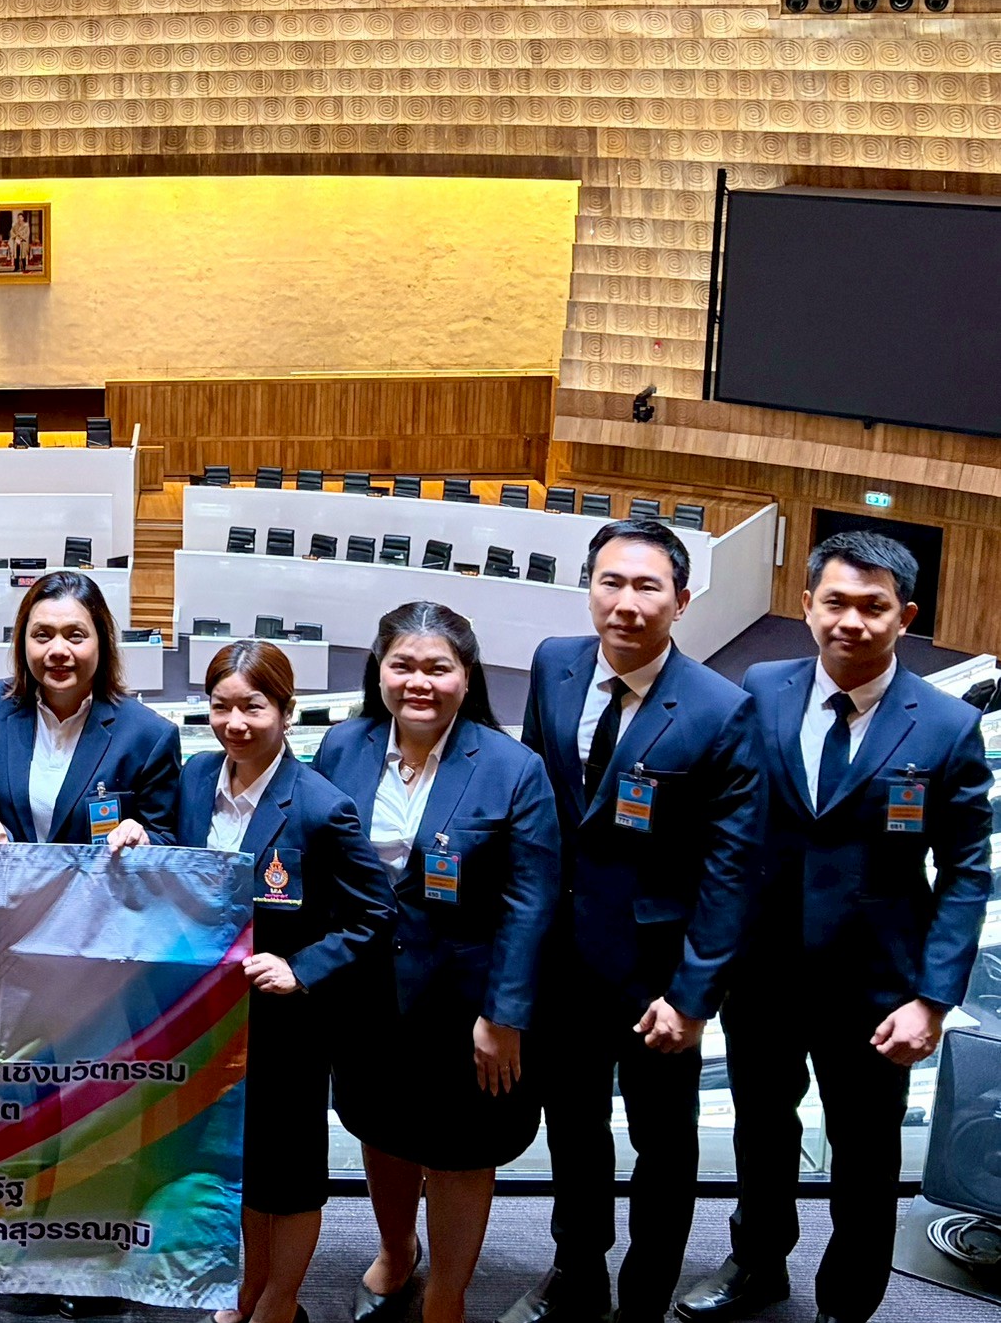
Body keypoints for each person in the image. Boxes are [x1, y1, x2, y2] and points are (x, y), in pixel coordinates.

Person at [677, 529, 991, 1323]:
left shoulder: (946, 724)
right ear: (807, 605)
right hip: (764, 974)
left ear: (905, 617)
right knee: (761, 1134)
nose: (852, 621)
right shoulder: (763, 685)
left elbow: (965, 873)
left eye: (873, 606)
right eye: (836, 602)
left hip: (878, 990)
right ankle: (758, 1266)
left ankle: (846, 1304)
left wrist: (932, 999)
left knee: (865, 1157)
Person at [501, 522, 757, 1323]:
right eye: (611, 582)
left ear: (682, 600)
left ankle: (644, 1298)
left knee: (663, 1145)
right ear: (589, 589)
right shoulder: (554, 663)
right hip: (562, 963)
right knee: (573, 1129)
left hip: (657, 979)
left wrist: (693, 996)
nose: (626, 603)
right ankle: (578, 1270)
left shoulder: (722, 709)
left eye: (648, 586)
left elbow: (730, 869)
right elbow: (535, 808)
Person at [313, 600, 559, 1323]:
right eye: (403, 666)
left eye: (437, 668)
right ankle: (397, 1252)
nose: (418, 682)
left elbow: (531, 902)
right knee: (380, 1128)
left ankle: (447, 1292)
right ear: (379, 671)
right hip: (365, 993)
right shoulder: (343, 746)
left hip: (466, 1004)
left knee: (459, 1150)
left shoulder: (513, 767)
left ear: (467, 676)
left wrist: (504, 1015)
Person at [180, 640, 394, 1323]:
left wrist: (300, 969)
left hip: (289, 1024)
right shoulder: (195, 779)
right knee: (241, 1164)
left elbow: (374, 913)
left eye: (253, 707)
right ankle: (250, 1287)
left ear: (286, 710)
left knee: (291, 1173)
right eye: (221, 707)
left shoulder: (321, 807)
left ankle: (282, 1298)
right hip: (214, 1016)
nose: (235, 723)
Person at [0, 568, 180, 852]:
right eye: (42, 635)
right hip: (5, 879)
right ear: (23, 642)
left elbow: (167, 840)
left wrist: (143, 838)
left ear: (102, 642)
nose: (58, 650)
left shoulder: (149, 736)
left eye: (75, 636)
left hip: (101, 882)